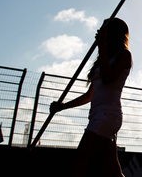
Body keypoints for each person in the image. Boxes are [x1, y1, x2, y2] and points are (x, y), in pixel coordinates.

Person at [50, 18, 132, 177]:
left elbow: (108, 79)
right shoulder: (103, 59)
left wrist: (101, 47)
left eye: (103, 29)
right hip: (98, 116)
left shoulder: (124, 55)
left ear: (113, 33)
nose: (98, 31)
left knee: (80, 163)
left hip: (107, 116)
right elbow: (90, 95)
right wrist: (63, 106)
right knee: (112, 170)